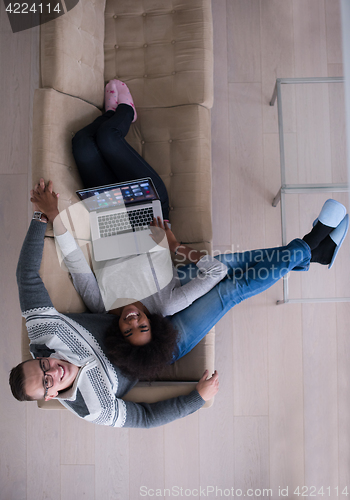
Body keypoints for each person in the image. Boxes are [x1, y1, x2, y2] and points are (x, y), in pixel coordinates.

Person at [9, 80, 349, 429]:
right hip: (161, 330)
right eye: (48, 381)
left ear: (37, 358)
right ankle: (311, 244)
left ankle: (314, 252)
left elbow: (57, 272)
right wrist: (196, 399)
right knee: (230, 287)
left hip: (122, 239)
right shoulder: (94, 405)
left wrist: (47, 218)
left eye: (43, 366)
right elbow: (144, 419)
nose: (54, 370)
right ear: (50, 396)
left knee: (84, 144)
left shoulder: (55, 330)